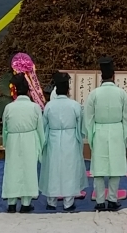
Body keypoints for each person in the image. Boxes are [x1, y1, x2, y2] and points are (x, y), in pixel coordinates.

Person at [84, 56, 127, 212]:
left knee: (99, 169)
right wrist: (123, 134)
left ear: (101, 76)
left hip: (99, 131)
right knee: (114, 169)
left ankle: (99, 200)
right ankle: (112, 199)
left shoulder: (94, 94)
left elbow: (88, 118)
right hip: (117, 131)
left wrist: (91, 137)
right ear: (114, 76)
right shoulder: (121, 93)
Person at [40, 72, 86, 212]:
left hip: (53, 137)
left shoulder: (49, 106)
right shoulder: (74, 105)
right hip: (70, 137)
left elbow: (44, 125)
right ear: (68, 90)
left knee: (52, 168)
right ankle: (68, 201)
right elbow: (81, 125)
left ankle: (51, 201)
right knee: (69, 168)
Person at [2, 73, 45, 213]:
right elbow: (40, 129)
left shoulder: (9, 107)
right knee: (28, 170)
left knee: (12, 170)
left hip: (13, 140)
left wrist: (6, 144)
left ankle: (11, 202)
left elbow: (5, 129)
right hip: (30, 139)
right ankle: (26, 203)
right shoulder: (34, 107)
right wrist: (41, 146)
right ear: (28, 91)